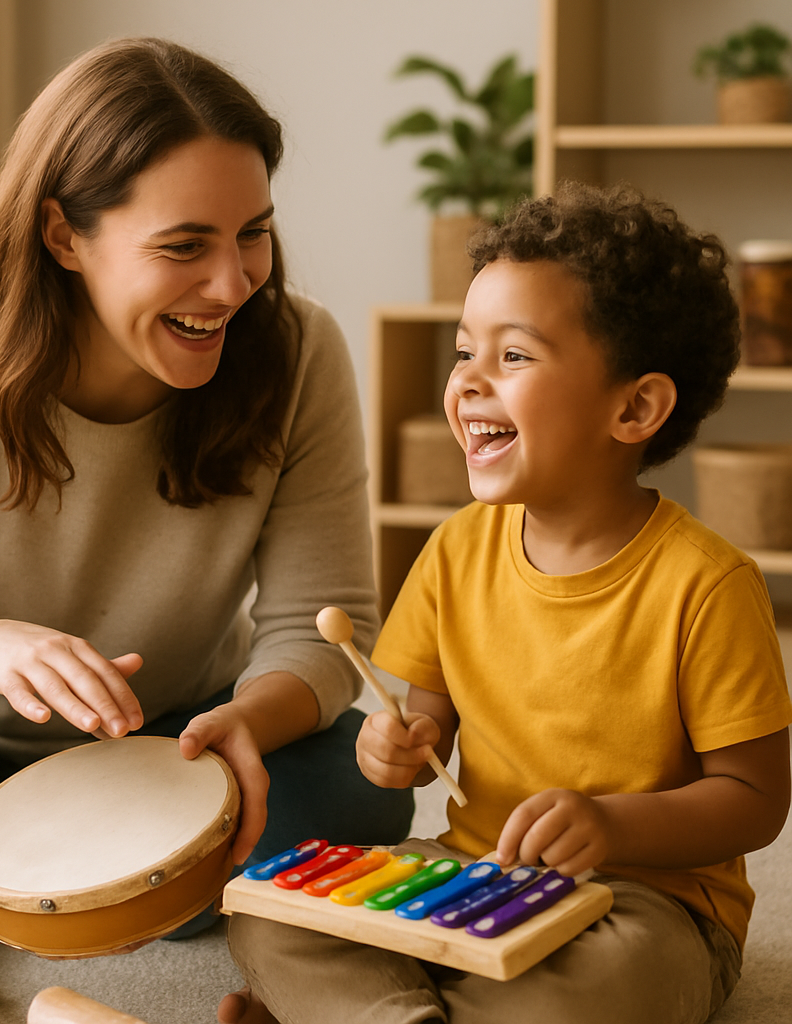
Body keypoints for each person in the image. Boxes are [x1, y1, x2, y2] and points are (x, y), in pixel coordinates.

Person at [0, 37, 413, 936]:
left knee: (365, 781)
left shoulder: (300, 352)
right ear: (64, 233)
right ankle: (144, 892)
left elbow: (325, 623)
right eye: (185, 244)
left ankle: (45, 896)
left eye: (254, 233)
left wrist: (247, 725)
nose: (233, 283)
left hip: (190, 745)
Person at [220, 182, 792, 1024]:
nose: (469, 384)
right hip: (472, 873)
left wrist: (612, 828)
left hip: (646, 903)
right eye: (463, 353)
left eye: (513, 357)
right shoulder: (454, 551)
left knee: (607, 982)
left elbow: (755, 800)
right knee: (268, 916)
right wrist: (400, 745)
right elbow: (426, 728)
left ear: (635, 407)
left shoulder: (708, 587)